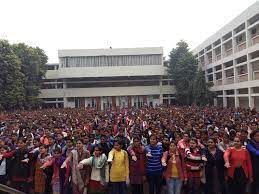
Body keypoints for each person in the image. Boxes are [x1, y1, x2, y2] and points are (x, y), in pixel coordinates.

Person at [246, 130, 259, 194]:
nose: (258, 137)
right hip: (253, 166)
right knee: (254, 184)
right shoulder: (249, 144)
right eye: (256, 136)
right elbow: (255, 152)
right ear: (253, 136)